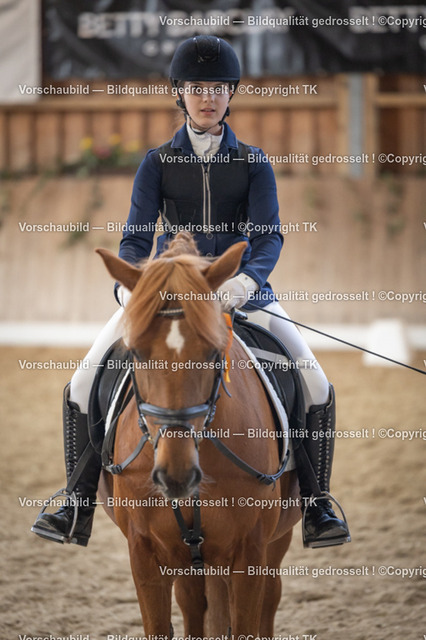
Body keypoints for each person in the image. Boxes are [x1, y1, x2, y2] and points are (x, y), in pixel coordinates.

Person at [32, 35, 350, 549]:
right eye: (198, 87)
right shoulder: (157, 163)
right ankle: (77, 500)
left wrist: (244, 282)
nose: (208, 97)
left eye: (219, 87)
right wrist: (133, 289)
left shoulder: (252, 161)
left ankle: (316, 503)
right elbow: (135, 240)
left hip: (243, 294)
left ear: (231, 94)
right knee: (83, 379)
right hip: (166, 296)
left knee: (314, 380)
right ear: (180, 93)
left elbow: (268, 236)